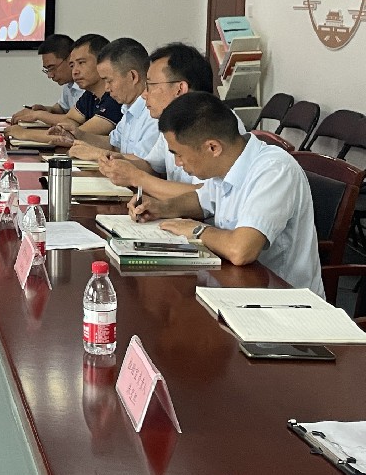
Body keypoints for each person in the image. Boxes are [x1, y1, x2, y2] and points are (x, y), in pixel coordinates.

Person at [129, 92, 323, 296]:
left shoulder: (275, 170)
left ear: (212, 147)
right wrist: (162, 207)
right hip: (239, 286)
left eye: (179, 154)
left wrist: (197, 230)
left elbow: (241, 250)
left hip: (284, 299)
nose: (177, 163)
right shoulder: (226, 161)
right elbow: (202, 200)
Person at [98, 43, 244, 200]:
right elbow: (152, 166)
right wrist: (119, 163)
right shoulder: (173, 121)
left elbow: (205, 196)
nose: (144, 95)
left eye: (150, 85)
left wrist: (137, 178)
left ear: (180, 89)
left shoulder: (211, 122)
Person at [55, 38, 159, 160]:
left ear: (133, 76)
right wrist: (79, 134)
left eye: (109, 81)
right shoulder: (128, 108)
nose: (107, 88)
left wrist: (97, 154)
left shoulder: (153, 113)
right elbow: (114, 145)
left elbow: (144, 163)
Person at [45, 33, 122, 141]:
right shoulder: (90, 94)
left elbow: (72, 137)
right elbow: (69, 119)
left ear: (102, 62)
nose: (75, 71)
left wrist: (24, 134)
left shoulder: (115, 97)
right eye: (72, 66)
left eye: (81, 63)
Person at [10, 34, 82, 127]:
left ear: (70, 58)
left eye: (52, 68)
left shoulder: (87, 86)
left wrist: (39, 115)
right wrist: (46, 110)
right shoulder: (69, 84)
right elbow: (62, 109)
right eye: (47, 70)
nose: (50, 75)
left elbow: (76, 121)